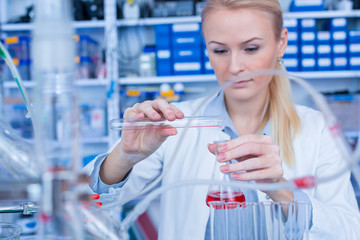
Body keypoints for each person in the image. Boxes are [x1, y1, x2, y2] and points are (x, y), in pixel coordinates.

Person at [85, 0, 360, 239]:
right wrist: (126, 156)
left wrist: (283, 193)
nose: (234, 67)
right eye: (220, 51)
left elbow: (349, 231)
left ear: (281, 43)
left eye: (251, 48)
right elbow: (91, 204)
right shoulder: (175, 123)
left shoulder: (317, 128)